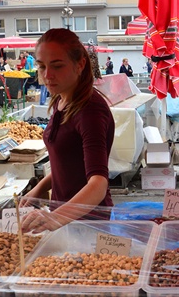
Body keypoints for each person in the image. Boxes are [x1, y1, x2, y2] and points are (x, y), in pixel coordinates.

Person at [20, 28, 115, 234]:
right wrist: (39, 188)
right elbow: (68, 164)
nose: (47, 75)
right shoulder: (61, 99)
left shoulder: (90, 110)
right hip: (64, 217)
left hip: (88, 223)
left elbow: (98, 184)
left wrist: (54, 219)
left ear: (80, 64)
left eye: (57, 66)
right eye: (42, 66)